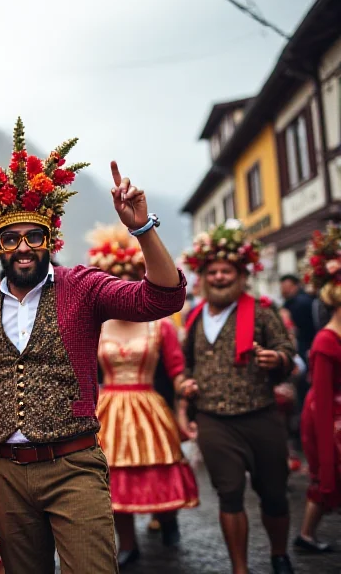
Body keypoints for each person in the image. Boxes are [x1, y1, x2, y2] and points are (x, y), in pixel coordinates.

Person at [0, 119, 186, 574]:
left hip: (73, 465)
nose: (23, 247)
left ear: (50, 239)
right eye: (11, 238)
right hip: (5, 471)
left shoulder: (82, 287)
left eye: (33, 236)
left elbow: (163, 297)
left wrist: (142, 227)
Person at [180, 220, 297, 574]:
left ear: (240, 273)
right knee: (229, 494)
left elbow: (288, 352)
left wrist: (276, 358)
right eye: (212, 271)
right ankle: (239, 568)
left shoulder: (262, 309)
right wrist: (185, 386)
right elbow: (185, 365)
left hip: (260, 415)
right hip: (214, 421)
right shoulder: (195, 316)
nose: (218, 277)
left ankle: (279, 555)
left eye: (225, 271)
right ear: (203, 276)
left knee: (274, 494)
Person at [87, 223, 199, 567]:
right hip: (109, 405)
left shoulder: (160, 323)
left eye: (129, 275)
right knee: (113, 476)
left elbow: (176, 367)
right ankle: (128, 543)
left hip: (148, 402)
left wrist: (184, 388)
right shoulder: (97, 324)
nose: (121, 284)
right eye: (112, 277)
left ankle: (167, 520)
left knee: (156, 469)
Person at [294, 224, 341, 553]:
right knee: (326, 478)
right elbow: (321, 402)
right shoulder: (325, 341)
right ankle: (306, 535)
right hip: (327, 419)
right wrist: (324, 457)